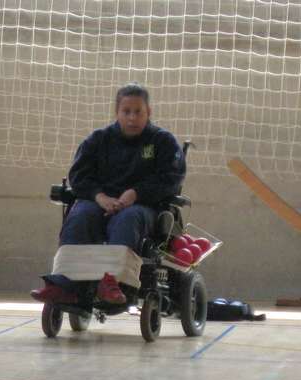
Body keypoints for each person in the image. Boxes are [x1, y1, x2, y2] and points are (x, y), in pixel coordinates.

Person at [31, 83, 186, 305]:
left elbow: (171, 178)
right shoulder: (98, 140)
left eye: (138, 112)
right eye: (126, 112)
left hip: (143, 206)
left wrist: (135, 193)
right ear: (117, 113)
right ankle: (64, 284)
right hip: (100, 201)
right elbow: (79, 176)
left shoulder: (163, 142)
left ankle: (112, 282)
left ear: (148, 112)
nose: (132, 118)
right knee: (80, 215)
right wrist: (100, 197)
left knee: (127, 218)